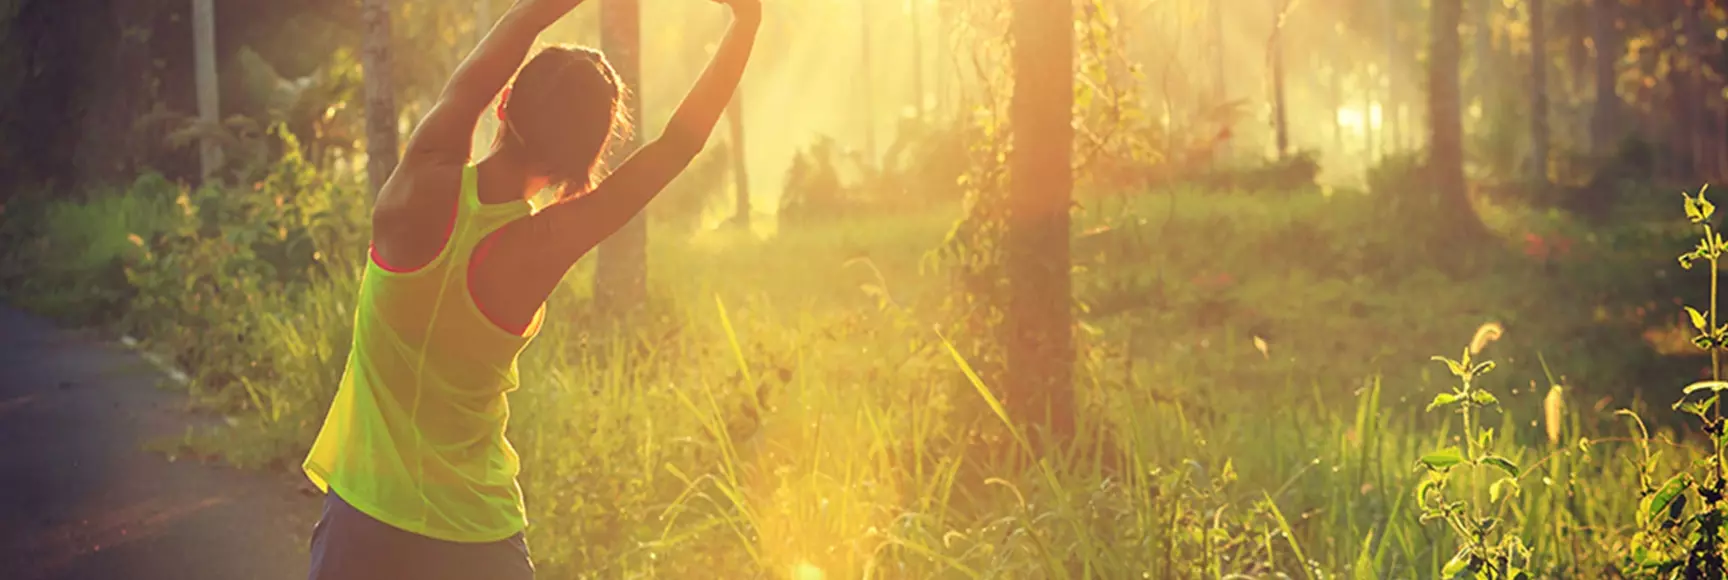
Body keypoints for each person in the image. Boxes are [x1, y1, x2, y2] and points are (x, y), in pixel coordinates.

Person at [300, 0, 760, 577]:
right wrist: (747, 25)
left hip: (363, 524)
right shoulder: (545, 246)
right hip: (475, 539)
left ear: (503, 101)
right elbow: (676, 145)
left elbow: (521, 21)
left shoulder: (420, 178)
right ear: (579, 166)